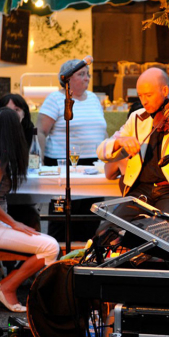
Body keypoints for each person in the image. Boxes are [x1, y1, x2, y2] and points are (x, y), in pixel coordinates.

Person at [0, 108, 60, 312]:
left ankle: (9, 285)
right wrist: (13, 223)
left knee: (46, 244)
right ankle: (7, 287)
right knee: (50, 247)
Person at [96, 68, 169, 229]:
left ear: (165, 90)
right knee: (106, 230)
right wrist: (120, 141)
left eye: (148, 95)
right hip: (141, 192)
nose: (144, 101)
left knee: (161, 234)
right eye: (140, 96)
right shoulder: (137, 117)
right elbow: (102, 151)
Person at [38, 58, 107, 242]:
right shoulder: (55, 99)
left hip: (93, 168)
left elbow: (102, 130)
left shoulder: (93, 98)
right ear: (67, 78)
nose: (87, 78)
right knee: (62, 221)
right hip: (63, 166)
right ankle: (58, 263)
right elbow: (41, 131)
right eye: (81, 74)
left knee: (91, 219)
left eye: (88, 74)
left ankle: (83, 262)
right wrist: (41, 162)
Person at [0, 93, 41, 230]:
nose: (12, 114)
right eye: (6, 109)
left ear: (24, 113)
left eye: (16, 110)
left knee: (31, 216)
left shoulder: (29, 131)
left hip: (19, 194)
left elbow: (31, 160)